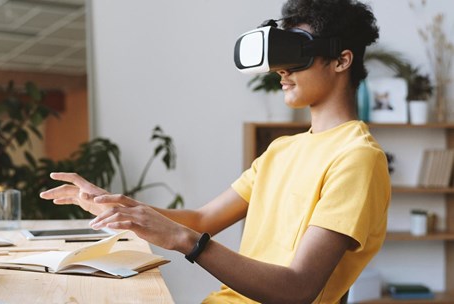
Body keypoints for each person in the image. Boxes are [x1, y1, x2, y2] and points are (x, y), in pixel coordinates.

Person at [40, 0, 390, 303]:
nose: (280, 70)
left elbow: (299, 289)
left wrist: (185, 241)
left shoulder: (357, 157)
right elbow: (202, 220)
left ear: (341, 61)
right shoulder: (282, 150)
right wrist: (119, 206)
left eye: (297, 54)